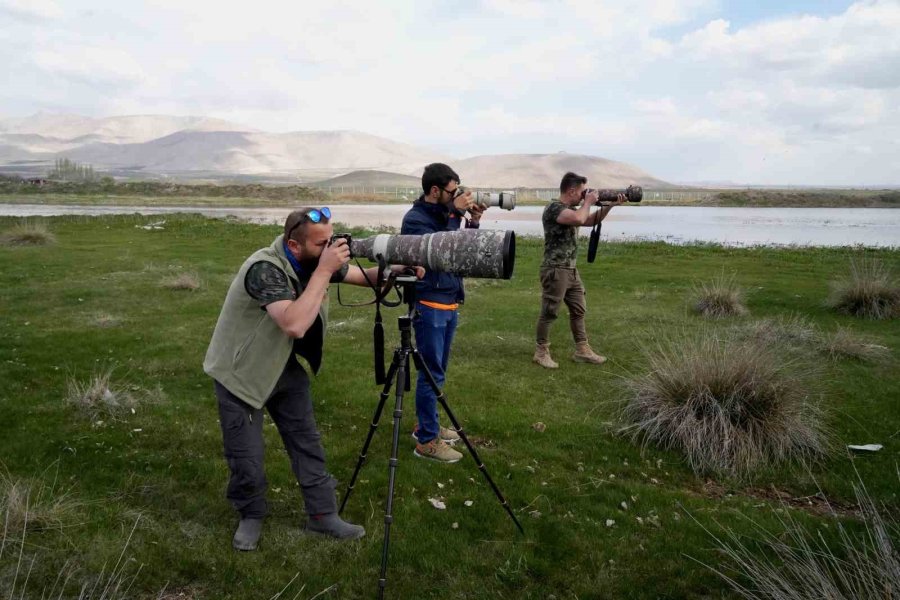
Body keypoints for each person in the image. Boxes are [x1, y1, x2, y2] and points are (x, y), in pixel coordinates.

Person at [203, 207, 420, 551]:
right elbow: (294, 324)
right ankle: (251, 514)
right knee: (246, 455)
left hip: (281, 364)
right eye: (322, 244)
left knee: (307, 442)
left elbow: (363, 277)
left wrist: (397, 270)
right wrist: (325, 269)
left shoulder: (312, 260)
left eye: (331, 240)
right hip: (240, 371)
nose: (330, 248)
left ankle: (322, 515)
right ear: (293, 244)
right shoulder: (264, 270)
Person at [400, 163, 486, 463]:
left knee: (438, 371)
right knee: (430, 372)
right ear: (434, 191)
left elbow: (463, 252)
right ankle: (427, 441)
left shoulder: (442, 215)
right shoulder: (416, 220)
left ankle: (426, 424)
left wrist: (472, 221)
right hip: (430, 302)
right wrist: (453, 214)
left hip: (449, 300)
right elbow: (441, 251)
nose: (457, 196)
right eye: (452, 192)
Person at [533, 172, 625, 369]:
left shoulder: (574, 209)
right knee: (549, 312)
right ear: (572, 190)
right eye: (583, 191)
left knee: (579, 309)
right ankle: (541, 352)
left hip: (571, 270)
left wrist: (610, 205)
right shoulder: (554, 208)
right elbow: (578, 218)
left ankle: (582, 350)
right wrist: (589, 201)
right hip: (555, 269)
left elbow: (589, 220)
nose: (585, 195)